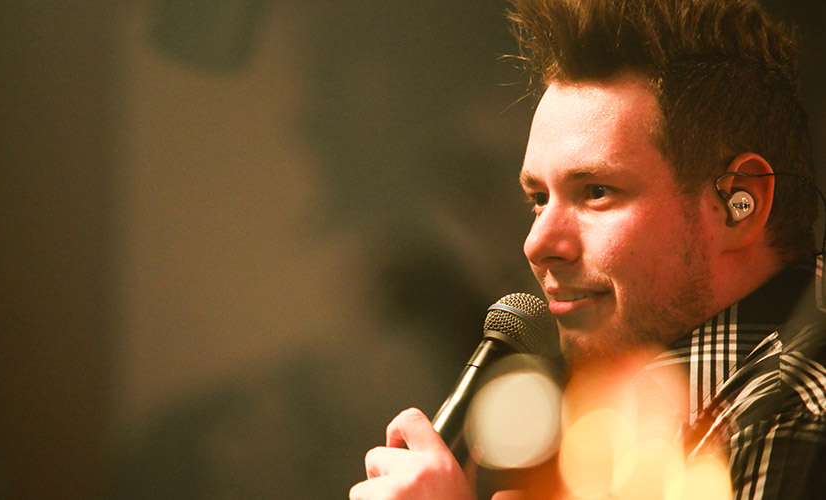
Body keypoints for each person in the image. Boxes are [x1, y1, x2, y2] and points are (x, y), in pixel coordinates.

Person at [350, 0, 826, 499]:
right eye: (539, 199)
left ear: (738, 204)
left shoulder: (793, 414)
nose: (537, 243)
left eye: (596, 192)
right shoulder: (639, 433)